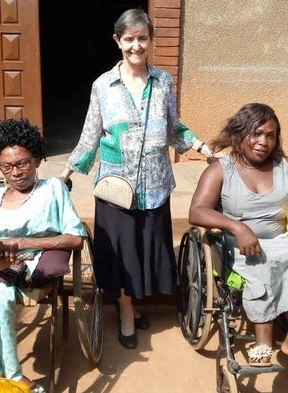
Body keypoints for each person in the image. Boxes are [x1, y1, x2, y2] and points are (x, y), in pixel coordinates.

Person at [59, 8, 214, 349]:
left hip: (155, 186)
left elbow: (175, 127)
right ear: (117, 41)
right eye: (129, 39)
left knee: (143, 252)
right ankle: (127, 314)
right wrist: (67, 171)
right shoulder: (103, 85)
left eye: (142, 38)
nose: (136, 46)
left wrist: (203, 148)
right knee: (123, 255)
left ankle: (137, 303)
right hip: (116, 188)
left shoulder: (163, 82)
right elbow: (90, 133)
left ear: (151, 41)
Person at [188, 103, 288, 372]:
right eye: (256, 134)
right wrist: (238, 227)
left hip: (282, 240)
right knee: (258, 264)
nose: (264, 142)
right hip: (238, 246)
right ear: (239, 135)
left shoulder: (286, 166)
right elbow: (197, 211)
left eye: (270, 135)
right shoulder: (220, 170)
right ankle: (262, 343)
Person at [0, 118, 87, 392]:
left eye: (23, 163)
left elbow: (75, 238)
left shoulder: (53, 190)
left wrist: (22, 242)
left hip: (26, 264)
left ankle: (7, 374)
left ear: (37, 159)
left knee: (0, 295)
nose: (15, 172)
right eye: (7, 166)